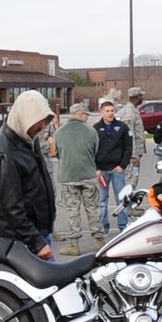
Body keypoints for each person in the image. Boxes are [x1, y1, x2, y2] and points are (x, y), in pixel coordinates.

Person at [0, 90, 57, 258]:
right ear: (25, 119)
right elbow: (12, 210)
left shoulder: (26, 138)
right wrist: (37, 243)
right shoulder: (5, 156)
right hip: (24, 243)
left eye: (44, 121)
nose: (42, 127)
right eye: (38, 122)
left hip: (38, 233)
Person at [51, 101, 101, 256]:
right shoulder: (91, 131)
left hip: (68, 176)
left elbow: (55, 153)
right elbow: (95, 151)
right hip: (88, 175)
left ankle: (74, 245)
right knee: (93, 209)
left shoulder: (59, 132)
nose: (87, 117)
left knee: (72, 210)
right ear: (80, 114)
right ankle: (100, 241)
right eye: (86, 114)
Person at [93, 99, 135, 236]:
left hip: (117, 170)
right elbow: (91, 150)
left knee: (121, 199)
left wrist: (122, 165)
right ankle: (103, 228)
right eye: (107, 111)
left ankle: (123, 226)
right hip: (102, 171)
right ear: (101, 112)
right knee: (102, 201)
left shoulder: (122, 127)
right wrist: (96, 168)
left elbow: (128, 148)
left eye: (112, 111)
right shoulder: (95, 128)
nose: (110, 113)